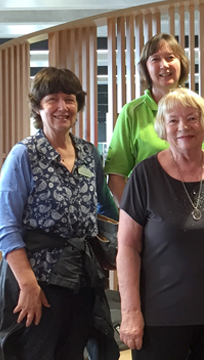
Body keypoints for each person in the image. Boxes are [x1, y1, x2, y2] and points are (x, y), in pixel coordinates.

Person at [116, 88, 204, 360]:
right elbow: (127, 247)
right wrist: (130, 312)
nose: (183, 127)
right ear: (163, 128)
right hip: (161, 320)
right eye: (173, 120)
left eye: (192, 118)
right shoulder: (144, 175)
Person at [0, 67, 119, 360]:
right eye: (52, 99)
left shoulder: (90, 154)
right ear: (38, 107)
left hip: (81, 280)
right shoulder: (24, 154)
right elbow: (6, 226)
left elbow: (106, 205)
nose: (62, 107)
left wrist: (127, 238)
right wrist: (27, 285)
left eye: (69, 99)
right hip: (38, 282)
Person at [104, 32, 204, 204]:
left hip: (196, 207)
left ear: (181, 63)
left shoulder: (198, 108)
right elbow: (116, 177)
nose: (164, 65)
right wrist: (134, 216)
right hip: (148, 212)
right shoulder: (131, 112)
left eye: (170, 57)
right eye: (155, 59)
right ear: (146, 67)